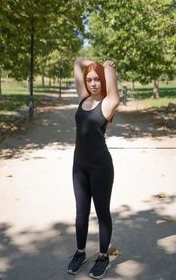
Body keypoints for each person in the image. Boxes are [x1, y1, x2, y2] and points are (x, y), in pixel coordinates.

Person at [67, 59, 120, 279]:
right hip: (79, 166)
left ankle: (103, 257)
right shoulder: (83, 98)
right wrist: (90, 64)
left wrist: (105, 67)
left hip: (100, 167)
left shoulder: (108, 103)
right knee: (80, 212)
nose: (93, 83)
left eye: (97, 79)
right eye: (90, 80)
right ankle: (80, 252)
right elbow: (77, 64)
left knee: (101, 212)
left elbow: (114, 91)